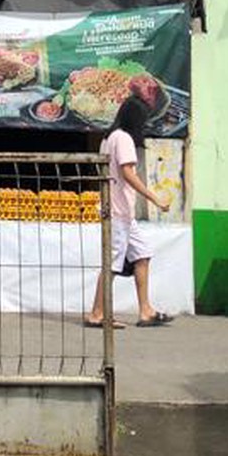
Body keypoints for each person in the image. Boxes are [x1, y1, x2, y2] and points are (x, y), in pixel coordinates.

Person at [87, 96, 175, 329]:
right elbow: (128, 172)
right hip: (117, 212)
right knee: (112, 264)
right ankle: (97, 313)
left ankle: (146, 310)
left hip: (122, 212)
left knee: (142, 254)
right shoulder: (123, 138)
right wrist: (154, 198)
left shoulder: (108, 139)